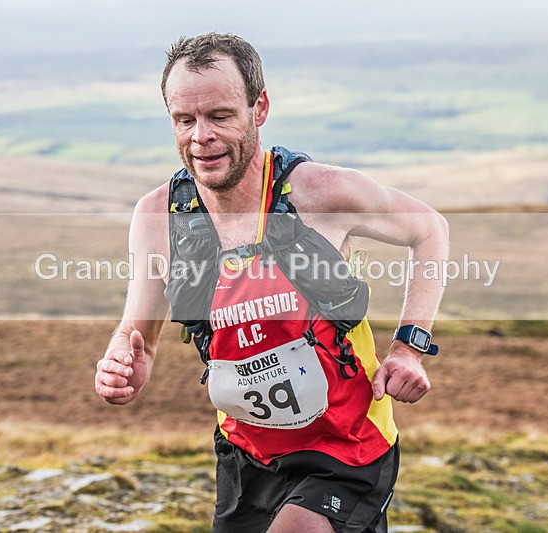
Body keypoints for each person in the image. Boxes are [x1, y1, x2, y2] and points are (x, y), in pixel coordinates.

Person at [95, 32, 449, 533]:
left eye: (220, 116)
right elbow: (138, 339)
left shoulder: (318, 192)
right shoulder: (159, 215)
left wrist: (409, 346)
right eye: (184, 119)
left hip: (347, 446)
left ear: (258, 108)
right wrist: (122, 365)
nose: (201, 137)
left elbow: (430, 229)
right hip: (247, 451)